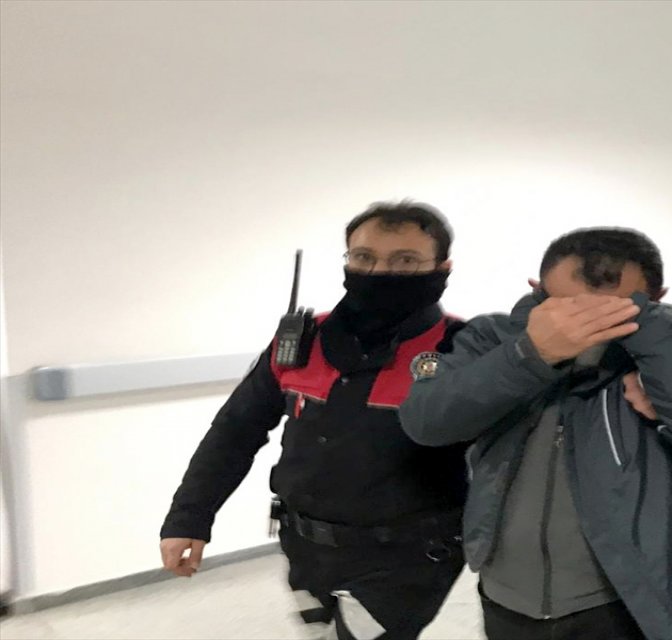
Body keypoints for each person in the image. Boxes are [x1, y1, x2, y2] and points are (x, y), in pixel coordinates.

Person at [399, 228, 672, 640]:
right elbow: (426, 421)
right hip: (505, 594)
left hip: (629, 598)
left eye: (613, 310)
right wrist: (530, 354)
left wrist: (651, 336)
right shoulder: (492, 338)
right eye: (565, 306)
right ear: (536, 290)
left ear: (656, 300)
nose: (583, 326)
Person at [160, 201, 469, 639]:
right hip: (304, 547)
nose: (380, 272)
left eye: (405, 261)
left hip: (408, 559)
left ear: (442, 268)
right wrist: (189, 518)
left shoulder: (462, 348)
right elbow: (235, 430)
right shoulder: (304, 341)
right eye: (364, 257)